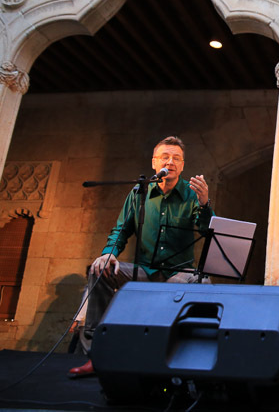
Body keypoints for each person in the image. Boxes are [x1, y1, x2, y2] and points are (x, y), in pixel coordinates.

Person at [68, 136, 214, 378]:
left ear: (182, 165)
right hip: (145, 271)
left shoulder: (191, 195)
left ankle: (186, 358)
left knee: (199, 282)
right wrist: (108, 254)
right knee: (99, 270)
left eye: (176, 158)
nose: (171, 161)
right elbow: (121, 230)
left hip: (178, 272)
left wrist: (205, 203)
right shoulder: (139, 192)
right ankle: (97, 354)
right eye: (165, 157)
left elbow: (206, 230)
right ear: (154, 163)